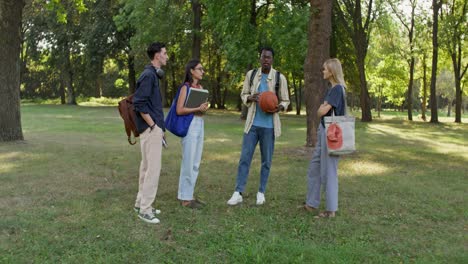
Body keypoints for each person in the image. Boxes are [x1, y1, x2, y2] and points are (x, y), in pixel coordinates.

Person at [227, 47, 290, 206]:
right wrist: (250, 97)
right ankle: (238, 192)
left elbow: (286, 100)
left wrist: (280, 107)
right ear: (260, 58)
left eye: (269, 57)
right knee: (244, 158)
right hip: (252, 125)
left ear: (272, 60)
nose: (266, 60)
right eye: (263, 57)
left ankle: (261, 192)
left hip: (269, 127)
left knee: (266, 161)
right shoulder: (252, 75)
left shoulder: (279, 78)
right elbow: (243, 94)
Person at [304, 58, 346, 218]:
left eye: (325, 69)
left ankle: (331, 210)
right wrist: (321, 109)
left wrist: (321, 108)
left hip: (331, 133)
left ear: (332, 71)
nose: (322, 71)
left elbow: (321, 111)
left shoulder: (336, 90)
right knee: (315, 167)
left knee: (329, 171)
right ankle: (311, 203)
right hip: (324, 130)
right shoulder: (334, 89)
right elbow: (321, 110)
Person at [132, 42, 168, 224]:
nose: (167, 56)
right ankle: (145, 210)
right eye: (164, 53)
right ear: (157, 56)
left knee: (146, 168)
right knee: (153, 170)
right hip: (150, 129)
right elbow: (139, 103)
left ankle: (140, 203)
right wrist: (154, 126)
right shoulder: (148, 75)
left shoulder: (153, 75)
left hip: (152, 129)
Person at [175, 59, 209, 209]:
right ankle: (185, 198)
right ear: (191, 71)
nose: (202, 71)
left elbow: (198, 109)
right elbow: (179, 110)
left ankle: (190, 195)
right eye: (200, 69)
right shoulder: (185, 88)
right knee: (188, 162)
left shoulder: (200, 87)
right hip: (189, 125)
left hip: (199, 123)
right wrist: (196, 108)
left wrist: (203, 108)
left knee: (195, 162)